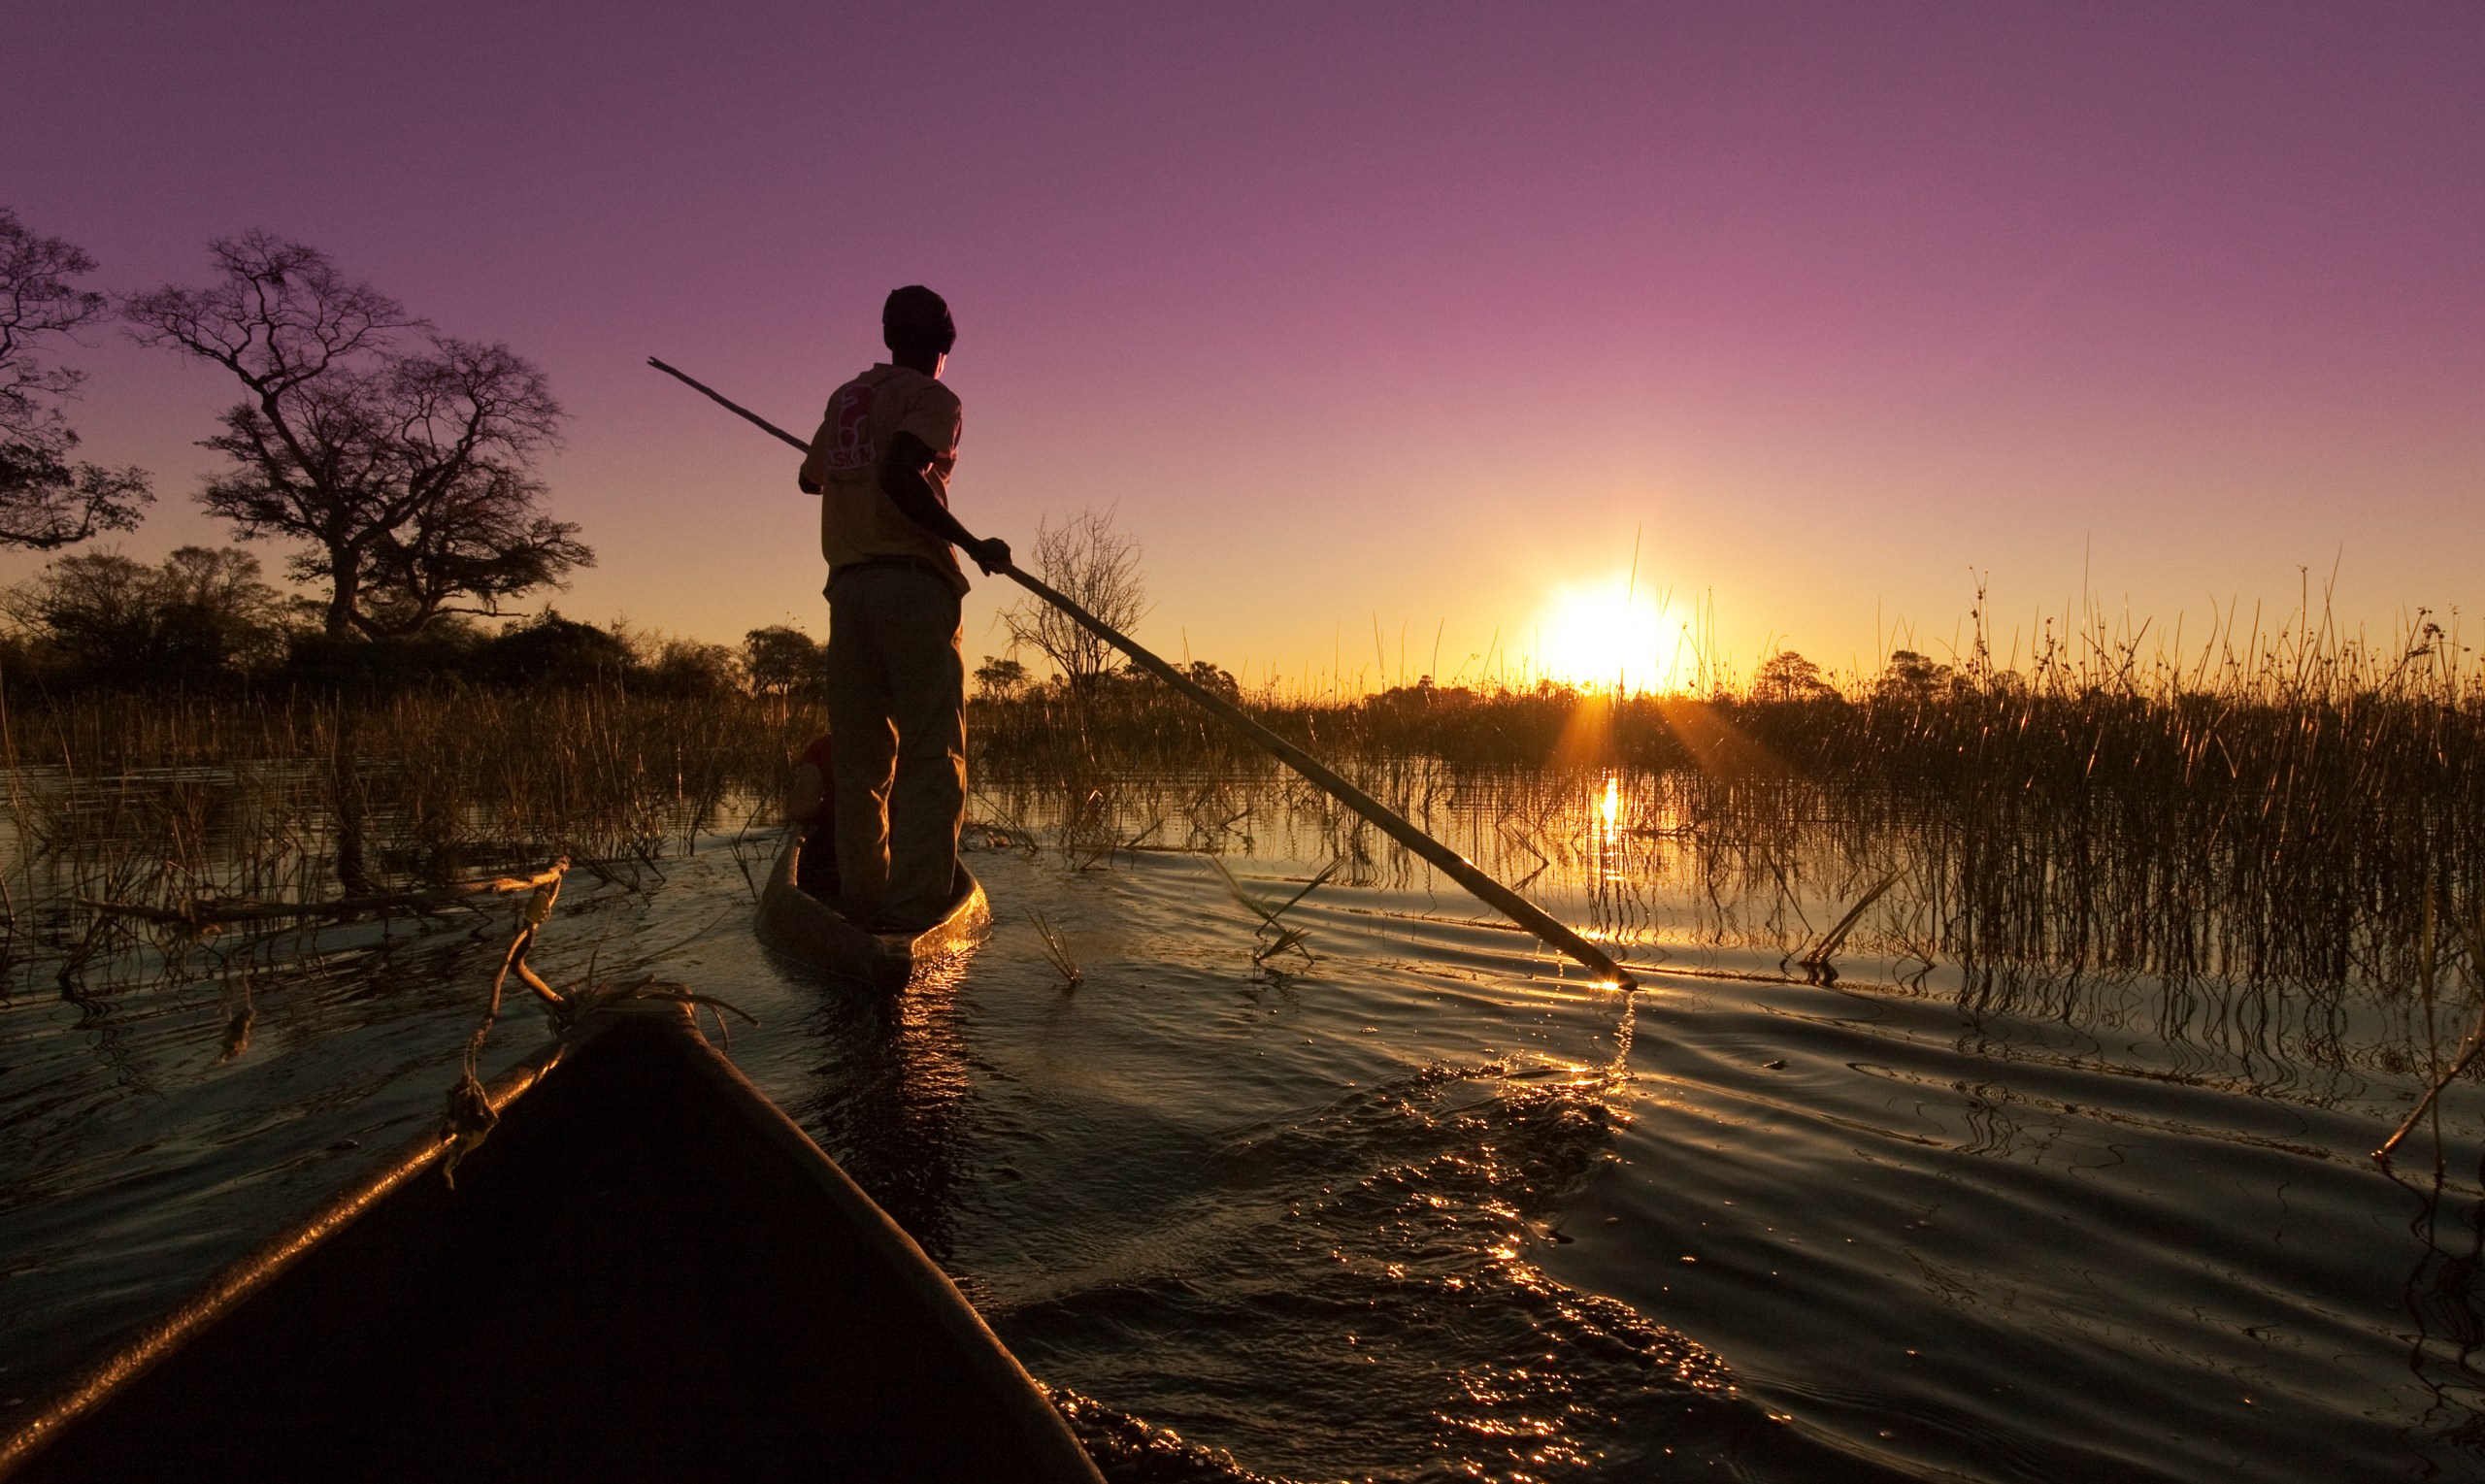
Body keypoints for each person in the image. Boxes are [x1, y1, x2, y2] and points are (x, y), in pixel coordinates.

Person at [798, 285, 1009, 930]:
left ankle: (862, 907)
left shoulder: (847, 399)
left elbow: (810, 478)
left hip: (849, 591)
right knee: (932, 754)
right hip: (914, 588)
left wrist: (841, 455)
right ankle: (913, 915)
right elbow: (898, 473)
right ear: (943, 347)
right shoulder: (934, 398)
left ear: (890, 336)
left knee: (861, 760)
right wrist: (974, 544)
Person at [784, 732, 839, 897]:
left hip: (838, 853)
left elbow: (800, 808)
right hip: (905, 858)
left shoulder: (826, 745)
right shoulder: (915, 742)